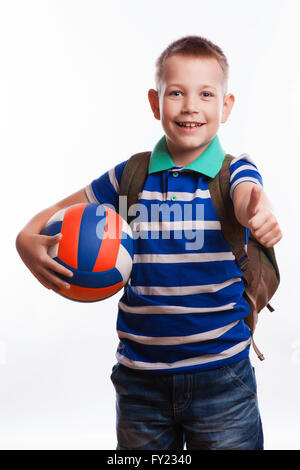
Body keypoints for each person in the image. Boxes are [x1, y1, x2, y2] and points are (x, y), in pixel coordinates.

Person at [16, 35, 282, 450]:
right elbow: (47, 221)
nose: (190, 105)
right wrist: (24, 242)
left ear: (225, 106)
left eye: (205, 94)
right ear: (155, 103)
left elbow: (249, 198)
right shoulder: (129, 177)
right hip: (140, 380)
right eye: (176, 92)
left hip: (222, 378)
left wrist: (258, 214)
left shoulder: (235, 173)